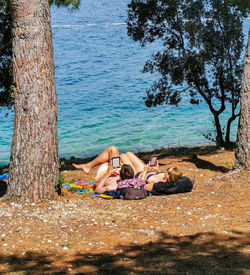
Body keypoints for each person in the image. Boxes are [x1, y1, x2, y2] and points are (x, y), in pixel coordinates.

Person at [73, 145, 183, 192]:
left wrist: (109, 172)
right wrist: (155, 169)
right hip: (120, 172)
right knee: (123, 153)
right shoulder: (163, 177)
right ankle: (87, 166)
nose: (165, 171)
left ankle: (88, 166)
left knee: (113, 150)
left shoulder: (114, 185)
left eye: (167, 171)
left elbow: (142, 184)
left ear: (169, 177)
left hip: (108, 174)